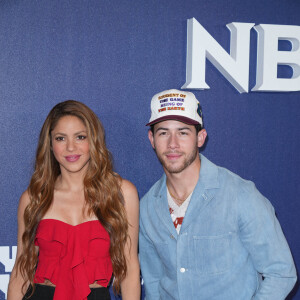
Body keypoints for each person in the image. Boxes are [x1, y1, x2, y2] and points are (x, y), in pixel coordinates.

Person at [139, 89, 297, 300]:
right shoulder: (148, 207)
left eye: (183, 132)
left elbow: (281, 273)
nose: (172, 143)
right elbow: (153, 282)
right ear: (152, 139)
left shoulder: (240, 195)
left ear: (200, 138)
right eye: (163, 132)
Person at [7, 100, 140, 300]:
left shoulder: (122, 193)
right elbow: (21, 270)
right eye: (61, 138)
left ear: (93, 140)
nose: (71, 147)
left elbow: (129, 269)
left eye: (80, 137)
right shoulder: (34, 198)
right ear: (50, 145)